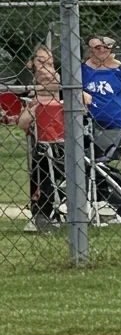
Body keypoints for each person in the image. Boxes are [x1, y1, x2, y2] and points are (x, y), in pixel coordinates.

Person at [82, 36, 121, 223]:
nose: (102, 50)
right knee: (88, 166)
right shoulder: (82, 70)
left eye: (106, 47)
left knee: (98, 166)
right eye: (97, 47)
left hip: (113, 124)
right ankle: (92, 205)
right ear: (89, 50)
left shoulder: (118, 70)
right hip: (86, 124)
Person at [17, 82, 66, 231]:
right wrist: (35, 108)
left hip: (67, 148)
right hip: (45, 148)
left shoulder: (68, 100)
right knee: (42, 170)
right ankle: (43, 214)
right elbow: (22, 123)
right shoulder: (35, 104)